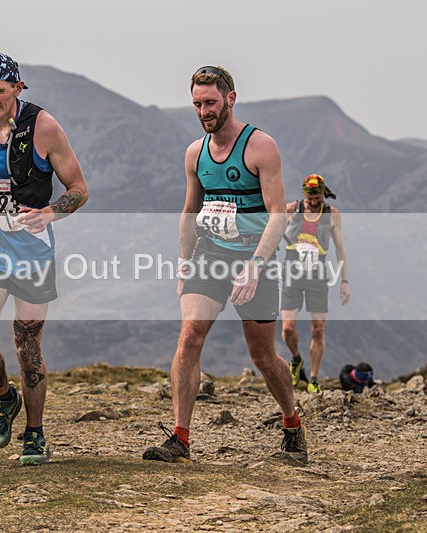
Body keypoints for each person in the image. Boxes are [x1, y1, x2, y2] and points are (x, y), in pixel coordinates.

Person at [143, 65, 307, 465]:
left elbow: (277, 215)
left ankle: (292, 422)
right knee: (189, 337)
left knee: (263, 357)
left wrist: (254, 266)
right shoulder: (195, 153)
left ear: (230, 99)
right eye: (197, 104)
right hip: (210, 255)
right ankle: (180, 437)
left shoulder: (260, 147)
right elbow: (189, 211)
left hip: (256, 257)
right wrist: (184, 262)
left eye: (211, 103)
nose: (204, 111)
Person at [0, 52, 88, 466]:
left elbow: (79, 188)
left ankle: (35, 434)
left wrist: (51, 212)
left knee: (27, 346)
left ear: (17, 88)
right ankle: (5, 398)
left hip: (32, 252)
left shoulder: (44, 128)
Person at [281, 174, 350, 393]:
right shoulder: (292, 209)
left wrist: (344, 281)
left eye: (318, 197)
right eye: (310, 198)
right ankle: (296, 359)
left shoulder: (332, 215)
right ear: (304, 195)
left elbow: (340, 248)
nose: (313, 202)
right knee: (287, 329)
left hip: (317, 274)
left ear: (323, 194)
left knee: (318, 330)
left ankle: (313, 378)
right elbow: (271, 232)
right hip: (292, 272)